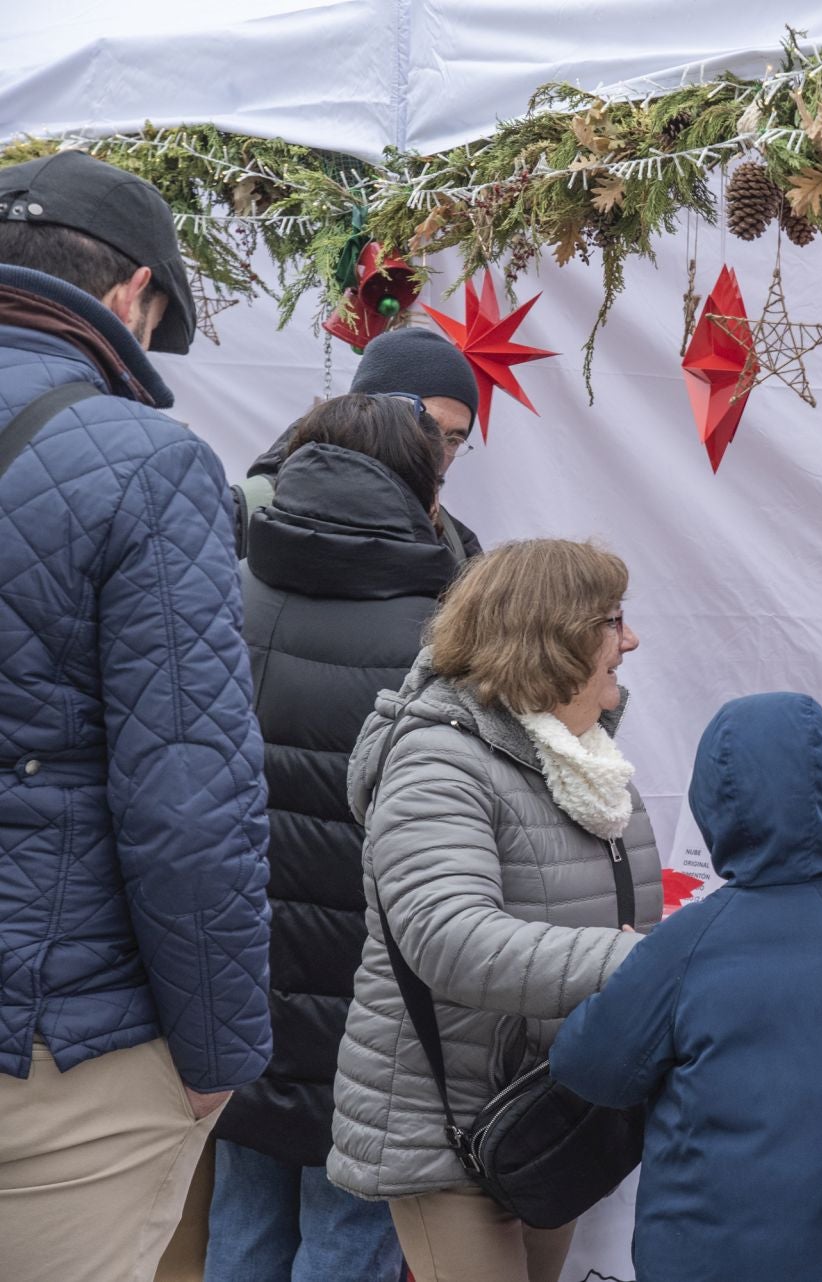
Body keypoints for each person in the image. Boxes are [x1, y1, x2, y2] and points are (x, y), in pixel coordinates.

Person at [0, 151, 272, 1276]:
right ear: (134, 294)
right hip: (54, 1041)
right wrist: (218, 1056)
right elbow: (189, 803)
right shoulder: (147, 464)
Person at [328, 538, 663, 1282]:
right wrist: (644, 963)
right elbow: (449, 939)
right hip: (446, 1128)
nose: (631, 640)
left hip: (547, 1114)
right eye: (613, 621)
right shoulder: (438, 758)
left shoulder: (585, 764)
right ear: (553, 636)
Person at [550, 692, 822, 1282]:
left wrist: (624, 975)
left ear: (711, 805)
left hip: (693, 1259)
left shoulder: (684, 944)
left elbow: (590, 1066)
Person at [206, 394, 460, 1282]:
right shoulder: (440, 638)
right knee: (348, 1236)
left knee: (241, 1222)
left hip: (230, 982)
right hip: (375, 1008)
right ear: (419, 489)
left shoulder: (219, 591)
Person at [232, 325, 484, 562]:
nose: (439, 451)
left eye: (454, 440)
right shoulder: (245, 513)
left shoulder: (459, 549)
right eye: (427, 425)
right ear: (370, 411)